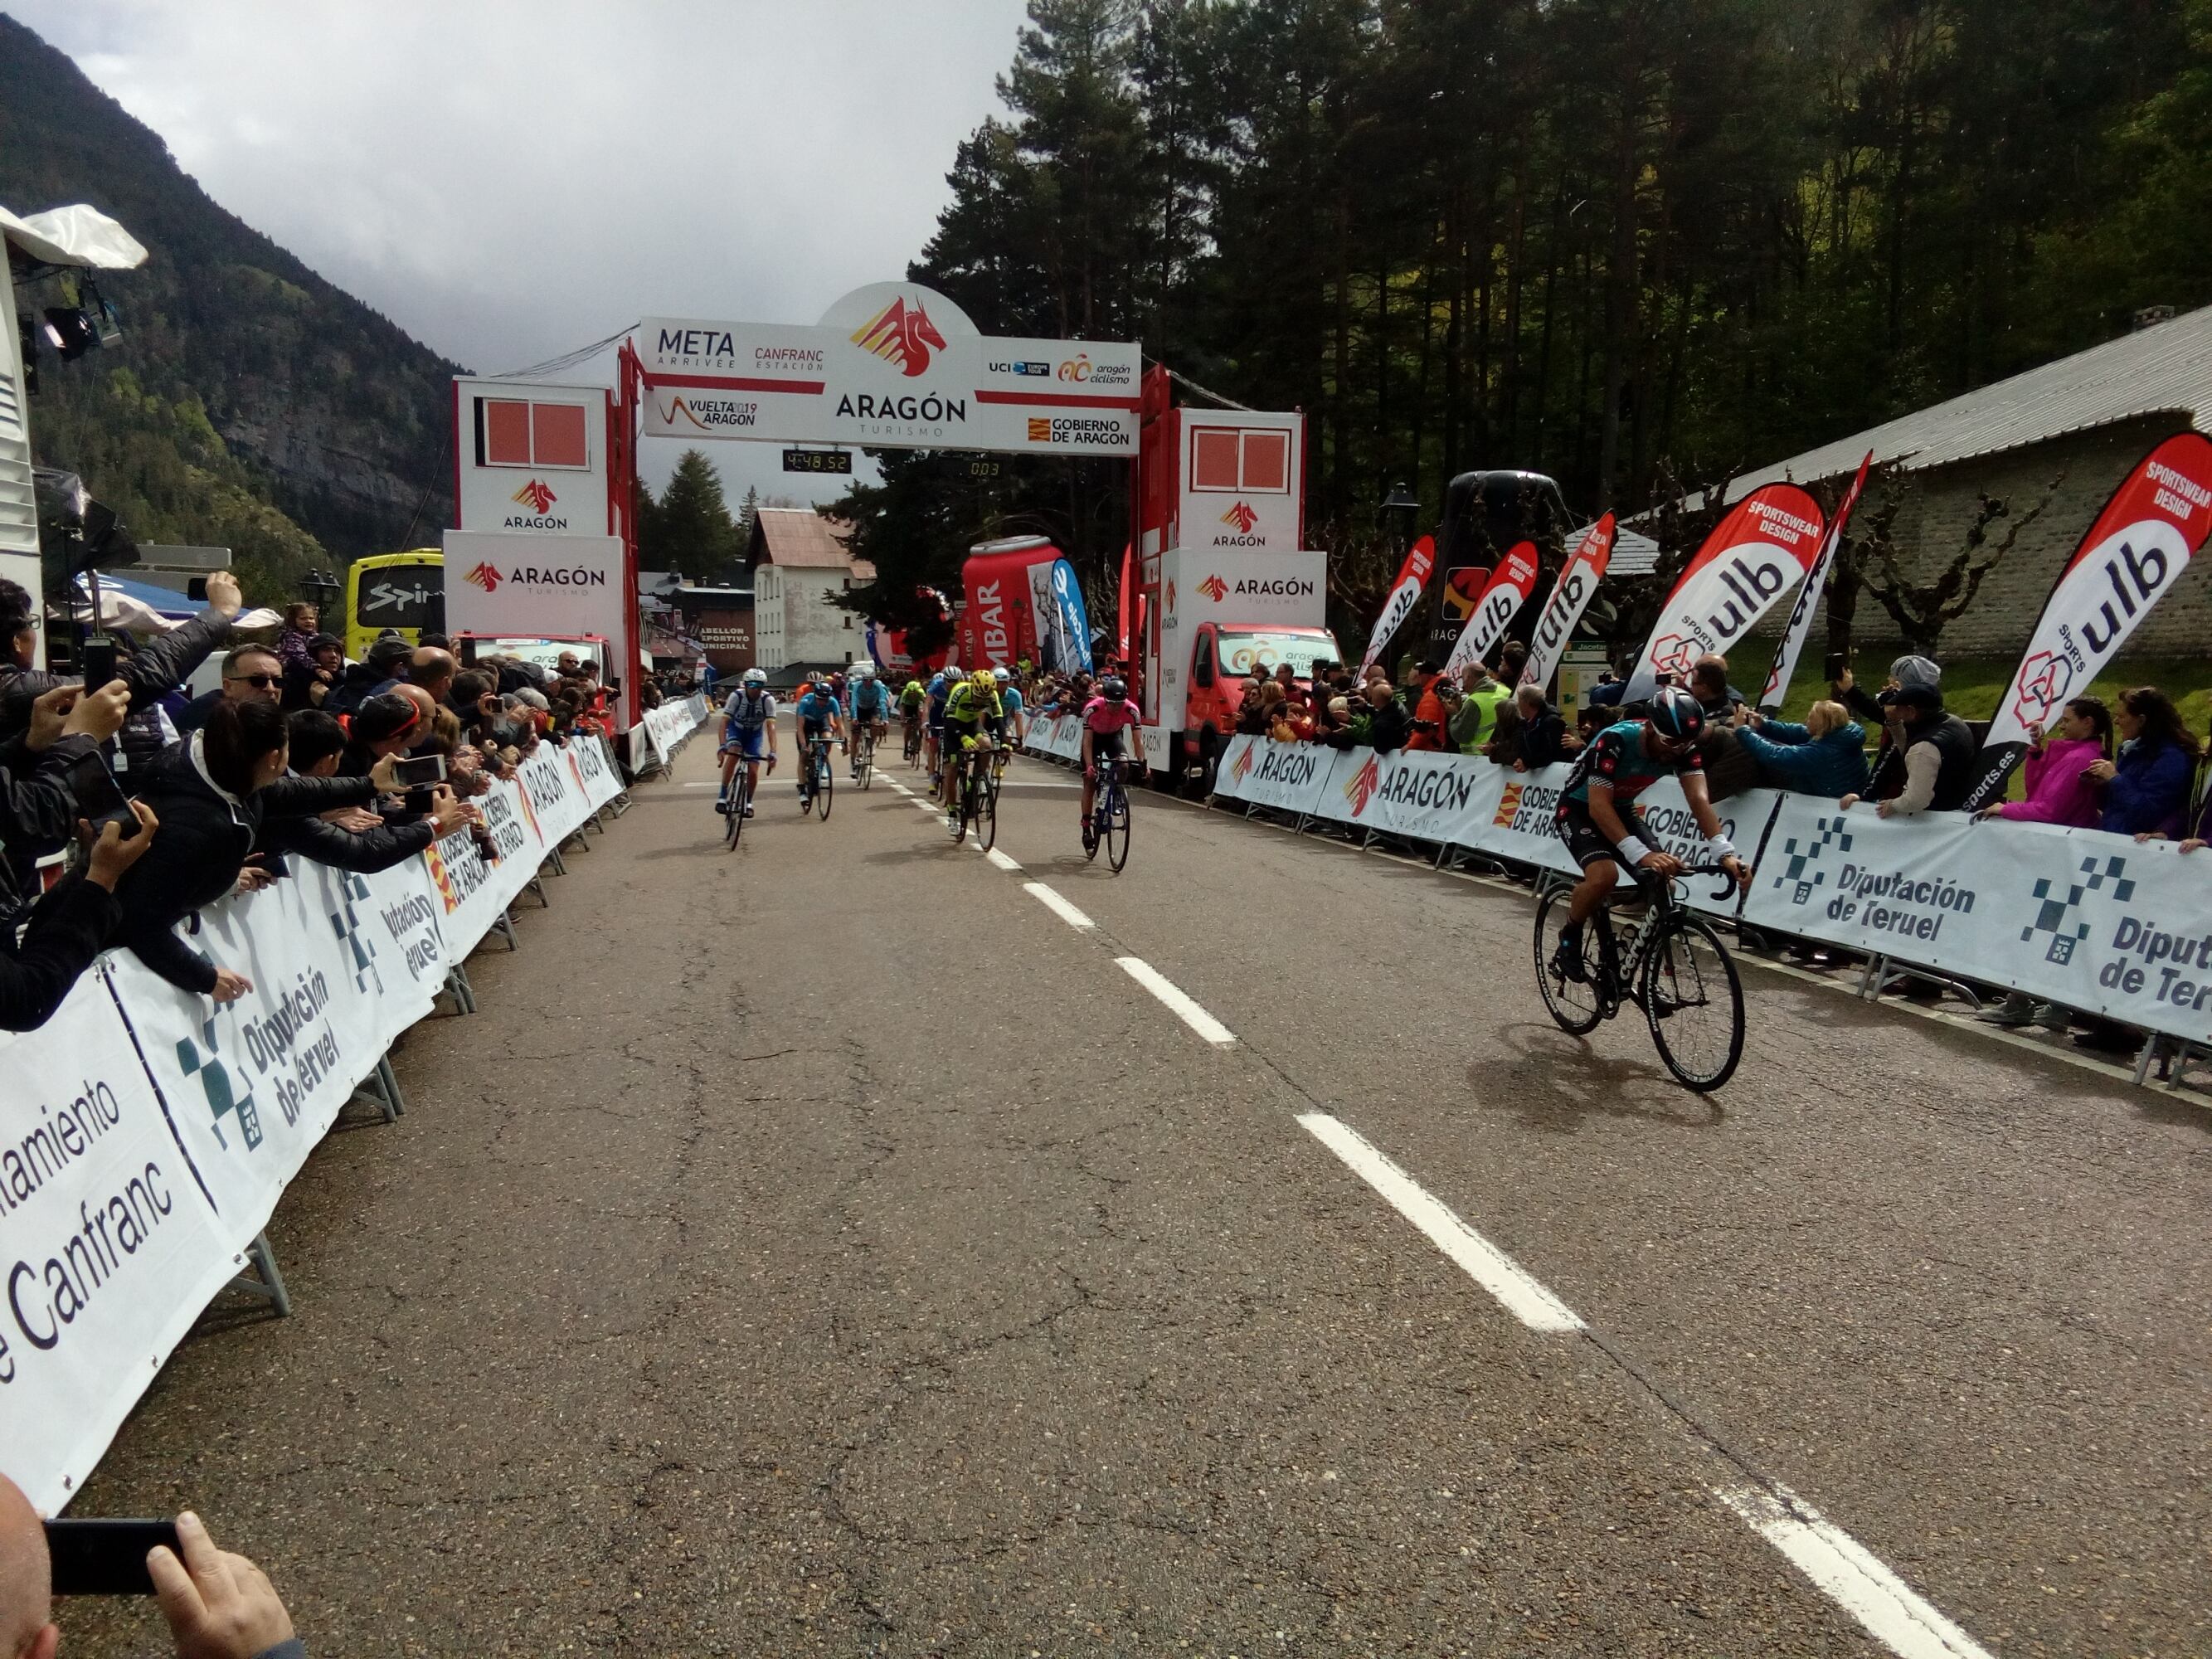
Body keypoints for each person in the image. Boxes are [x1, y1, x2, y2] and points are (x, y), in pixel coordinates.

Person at [110, 701, 402, 1001]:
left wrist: (369, 785)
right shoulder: (200, 825)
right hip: (114, 965)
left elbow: (288, 794)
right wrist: (206, 977)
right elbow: (140, 922)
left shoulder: (216, 768)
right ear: (275, 758)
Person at [1550, 686, 1748, 982]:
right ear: (1650, 728)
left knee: (1664, 883)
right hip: (1579, 809)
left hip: (1621, 808)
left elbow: (1699, 800)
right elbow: (1599, 806)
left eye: (1686, 743)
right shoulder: (1615, 740)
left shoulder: (1683, 747)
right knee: (1604, 876)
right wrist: (1641, 854)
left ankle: (1640, 964)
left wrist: (1726, 853)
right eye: (1671, 741)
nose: (1677, 750)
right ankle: (1570, 935)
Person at [1839, 683, 1976, 818]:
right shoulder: (1954, 723)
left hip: (1933, 818)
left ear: (1911, 711)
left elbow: (1916, 800)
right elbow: (1907, 750)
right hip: (1960, 808)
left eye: (1898, 708)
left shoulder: (1923, 749)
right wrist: (1894, 723)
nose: (1894, 711)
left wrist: (1893, 805)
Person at [1972, 698, 2110, 829]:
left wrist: (2006, 809)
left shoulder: (2079, 758)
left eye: (2067, 721)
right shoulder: (2076, 753)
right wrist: (2036, 749)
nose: (2061, 726)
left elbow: (2050, 811)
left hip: (2060, 835)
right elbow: (2036, 789)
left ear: (2087, 722)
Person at [2090, 686, 2198, 839]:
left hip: (2141, 844)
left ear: (2141, 720)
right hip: (2115, 837)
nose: (2116, 722)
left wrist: (2115, 779)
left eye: (2121, 716)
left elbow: (2149, 812)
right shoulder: (2132, 749)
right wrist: (2102, 785)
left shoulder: (2171, 758)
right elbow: (2116, 804)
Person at [1738, 700, 1870, 798]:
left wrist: (1743, 730)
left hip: (1828, 804)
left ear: (1822, 725)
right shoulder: (1843, 736)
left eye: (1811, 718)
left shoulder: (1820, 753)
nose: (1806, 721)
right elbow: (1797, 731)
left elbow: (1773, 755)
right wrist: (1764, 725)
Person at [1077, 674, 1145, 850]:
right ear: (1105, 700)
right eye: (1112, 704)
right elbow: (1087, 741)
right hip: (1094, 739)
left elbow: (1138, 740)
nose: (1116, 708)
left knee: (1123, 765)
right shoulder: (1092, 709)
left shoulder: (1132, 710)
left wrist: (1143, 762)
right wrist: (1089, 765)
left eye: (1120, 704)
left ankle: (1114, 796)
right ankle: (1086, 826)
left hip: (1114, 737)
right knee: (1090, 782)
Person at [940, 668, 1003, 831]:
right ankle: (952, 813)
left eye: (984, 699)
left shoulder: (992, 696)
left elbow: (998, 719)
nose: (981, 702)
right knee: (952, 768)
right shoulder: (959, 691)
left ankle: (976, 779)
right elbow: (949, 720)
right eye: (978, 697)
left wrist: (1005, 743)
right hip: (954, 726)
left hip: (973, 725)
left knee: (987, 745)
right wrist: (963, 738)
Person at [174, 644, 285, 735]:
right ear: (228, 687)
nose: (271, 688)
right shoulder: (207, 728)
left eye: (278, 681)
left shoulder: (283, 727)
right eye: (258, 680)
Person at [717, 669, 777, 817]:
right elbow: (724, 722)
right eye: (752, 685)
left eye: (760, 685)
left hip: (754, 734)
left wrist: (773, 751)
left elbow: (771, 728)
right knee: (734, 753)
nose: (756, 689)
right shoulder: (736, 696)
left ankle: (749, 802)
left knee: (754, 769)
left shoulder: (768, 700)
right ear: (746, 684)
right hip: (737, 730)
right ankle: (723, 796)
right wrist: (722, 745)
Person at [793, 678, 842, 804]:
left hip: (821, 720)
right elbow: (800, 728)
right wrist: (804, 745)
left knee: (828, 738)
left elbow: (840, 724)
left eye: (826, 700)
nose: (823, 702)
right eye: (820, 699)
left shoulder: (833, 702)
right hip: (807, 722)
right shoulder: (805, 701)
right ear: (815, 695)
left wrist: (844, 741)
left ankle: (823, 760)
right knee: (804, 756)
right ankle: (802, 789)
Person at [1510, 684, 1581, 771]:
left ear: (1527, 703)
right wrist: (1521, 760)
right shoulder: (1524, 723)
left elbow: (1552, 753)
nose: (1518, 704)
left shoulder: (1552, 722)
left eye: (1519, 700)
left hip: (1555, 774)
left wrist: (1527, 763)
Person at [845, 661, 892, 775]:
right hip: (859, 708)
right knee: (855, 736)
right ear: (862, 679)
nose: (868, 682)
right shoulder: (857, 686)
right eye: (866, 680)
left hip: (872, 708)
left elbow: (882, 702)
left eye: (871, 680)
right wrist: (854, 717)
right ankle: (853, 763)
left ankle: (871, 744)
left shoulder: (878, 686)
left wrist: (885, 719)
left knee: (876, 724)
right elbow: (854, 702)